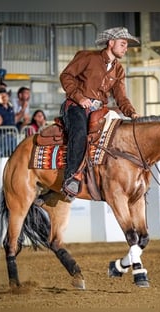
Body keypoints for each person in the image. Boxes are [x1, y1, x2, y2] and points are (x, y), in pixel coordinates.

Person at [59, 26, 140, 198]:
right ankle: (71, 177)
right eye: (123, 44)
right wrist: (79, 97)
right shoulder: (88, 57)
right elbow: (66, 76)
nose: (126, 48)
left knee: (117, 137)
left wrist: (132, 113)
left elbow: (121, 97)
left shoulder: (118, 70)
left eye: (126, 45)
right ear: (111, 43)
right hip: (75, 106)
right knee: (80, 133)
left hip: (99, 110)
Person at [0, 89, 17, 157]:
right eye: (2, 96)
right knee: (4, 153)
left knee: (13, 154)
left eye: (5, 96)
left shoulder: (11, 108)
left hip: (12, 134)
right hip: (2, 135)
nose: (4, 98)